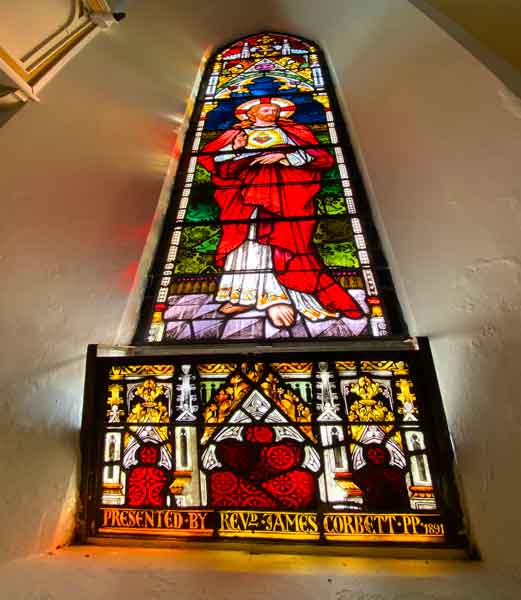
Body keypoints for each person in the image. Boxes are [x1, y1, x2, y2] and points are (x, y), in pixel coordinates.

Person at [198, 97, 364, 328]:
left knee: (281, 237)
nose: (272, 112)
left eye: (275, 109)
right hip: (243, 195)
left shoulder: (294, 131)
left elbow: (320, 157)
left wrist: (285, 156)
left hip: (285, 194)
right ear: (252, 113)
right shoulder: (236, 134)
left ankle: (278, 297)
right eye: (266, 109)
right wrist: (236, 150)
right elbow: (216, 162)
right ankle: (243, 296)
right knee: (246, 237)